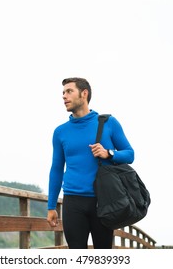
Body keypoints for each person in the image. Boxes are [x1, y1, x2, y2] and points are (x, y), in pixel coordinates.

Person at [46, 77, 135, 249]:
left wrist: (108, 153)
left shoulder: (108, 123)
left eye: (69, 91)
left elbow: (129, 154)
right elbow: (56, 169)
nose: (64, 96)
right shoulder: (60, 132)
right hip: (73, 201)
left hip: (103, 200)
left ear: (84, 94)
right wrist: (51, 206)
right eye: (63, 92)